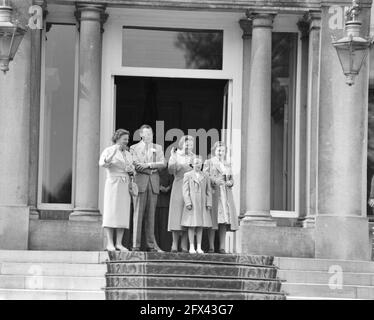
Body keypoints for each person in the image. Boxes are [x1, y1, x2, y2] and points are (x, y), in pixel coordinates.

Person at [130, 125, 166, 252]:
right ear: (141, 134)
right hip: (140, 184)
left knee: (151, 216)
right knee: (138, 215)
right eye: (146, 134)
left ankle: (151, 245)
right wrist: (151, 170)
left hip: (153, 184)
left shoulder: (158, 147)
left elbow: (163, 164)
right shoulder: (133, 148)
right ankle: (136, 245)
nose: (149, 136)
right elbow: (135, 165)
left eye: (151, 134)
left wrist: (148, 165)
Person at [99, 129, 135, 252]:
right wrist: (113, 152)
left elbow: (132, 169)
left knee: (122, 213)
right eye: (124, 139)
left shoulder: (128, 153)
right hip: (113, 183)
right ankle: (110, 243)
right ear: (118, 138)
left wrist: (132, 171)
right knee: (111, 212)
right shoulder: (108, 150)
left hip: (125, 184)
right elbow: (103, 164)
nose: (127, 141)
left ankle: (119, 243)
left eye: (127, 139)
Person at [203, 141, 239, 254]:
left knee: (223, 221)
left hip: (225, 194)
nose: (220, 152)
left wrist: (230, 182)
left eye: (223, 150)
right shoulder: (209, 162)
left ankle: (222, 247)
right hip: (214, 193)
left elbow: (231, 179)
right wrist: (214, 180)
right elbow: (205, 175)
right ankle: (211, 247)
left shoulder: (227, 164)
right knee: (214, 219)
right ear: (214, 151)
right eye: (219, 150)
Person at [168, 135, 195, 253]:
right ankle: (174, 243)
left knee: (187, 215)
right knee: (176, 214)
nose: (189, 146)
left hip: (190, 188)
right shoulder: (176, 154)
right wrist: (174, 158)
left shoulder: (194, 157)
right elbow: (170, 171)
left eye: (191, 144)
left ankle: (184, 244)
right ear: (182, 144)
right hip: (178, 185)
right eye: (187, 143)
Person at [181, 156, 213, 254]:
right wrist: (188, 202)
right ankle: (191, 246)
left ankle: (199, 246)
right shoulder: (187, 175)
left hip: (202, 204)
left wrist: (209, 203)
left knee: (200, 225)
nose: (198, 165)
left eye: (199, 163)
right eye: (196, 163)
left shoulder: (206, 175)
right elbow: (185, 190)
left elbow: (208, 191)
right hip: (192, 203)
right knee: (191, 225)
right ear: (192, 164)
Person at [154, 167, 174, 251]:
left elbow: (174, 180)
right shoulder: (154, 168)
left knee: (165, 226)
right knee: (155, 225)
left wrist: (168, 188)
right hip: (155, 200)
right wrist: (158, 187)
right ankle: (155, 246)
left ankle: (166, 247)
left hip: (166, 201)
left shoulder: (169, 169)